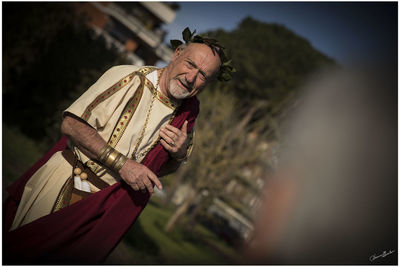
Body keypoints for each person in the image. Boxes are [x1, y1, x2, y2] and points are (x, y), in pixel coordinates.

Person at [4, 28, 234, 264]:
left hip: (104, 209)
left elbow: (157, 171)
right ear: (176, 54)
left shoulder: (187, 115)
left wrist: (177, 154)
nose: (191, 77)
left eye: (203, 75)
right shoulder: (129, 77)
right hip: (67, 183)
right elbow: (72, 124)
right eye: (190, 64)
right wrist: (122, 164)